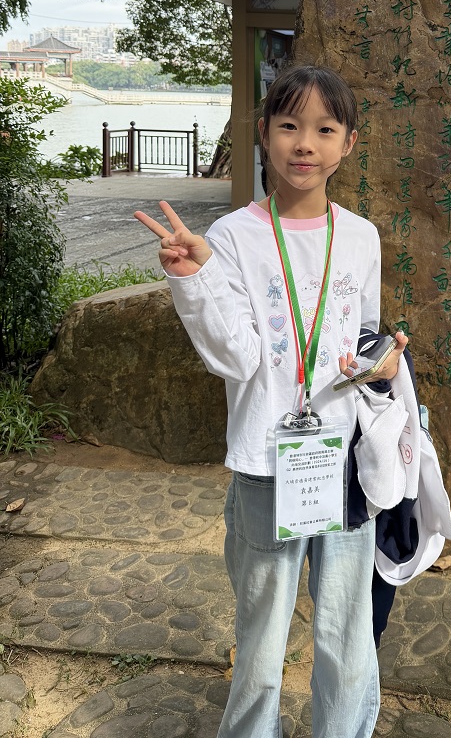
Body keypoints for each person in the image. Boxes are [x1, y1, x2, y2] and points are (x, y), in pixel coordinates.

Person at [134, 64, 407, 738]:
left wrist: (380, 364)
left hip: (343, 464)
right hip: (266, 465)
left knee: (347, 633)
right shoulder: (232, 237)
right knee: (260, 639)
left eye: (324, 129)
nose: (304, 143)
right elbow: (237, 358)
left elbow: (363, 331)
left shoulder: (361, 236)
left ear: (349, 142)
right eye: (288, 125)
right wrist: (194, 278)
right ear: (263, 135)